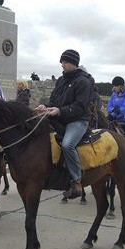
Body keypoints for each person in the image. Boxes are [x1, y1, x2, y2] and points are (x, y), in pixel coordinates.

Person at [35, 49, 92, 199]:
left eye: (65, 62)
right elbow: (54, 101)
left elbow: (80, 106)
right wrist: (45, 106)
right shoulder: (61, 80)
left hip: (78, 120)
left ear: (74, 63)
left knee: (67, 144)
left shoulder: (83, 81)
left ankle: (76, 181)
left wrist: (59, 111)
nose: (62, 64)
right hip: (59, 118)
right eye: (61, 61)